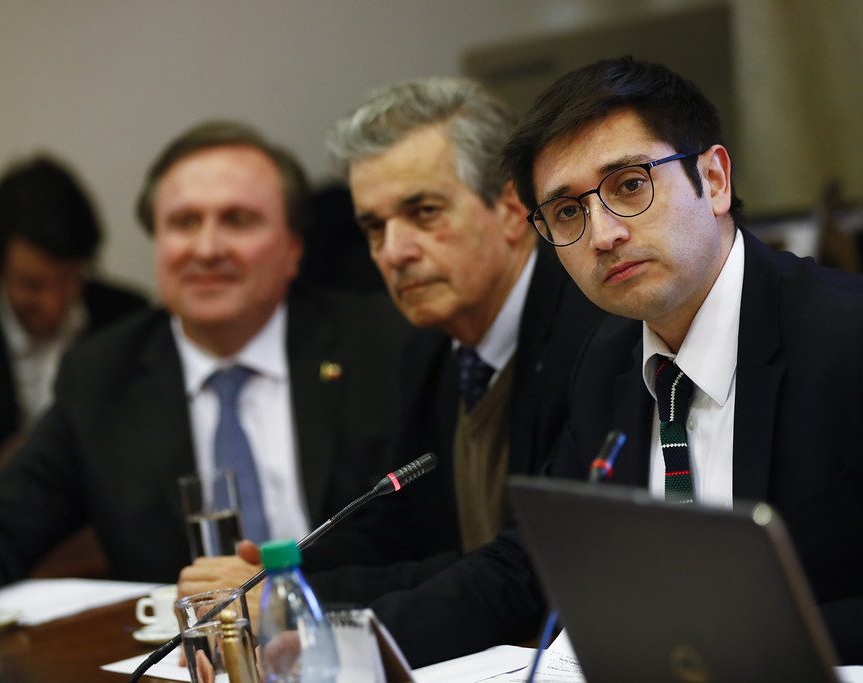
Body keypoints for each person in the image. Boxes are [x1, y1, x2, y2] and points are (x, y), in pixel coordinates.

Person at [360, 56, 863, 667]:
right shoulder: (605, 361)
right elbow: (533, 564)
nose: (603, 235)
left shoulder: (843, 337)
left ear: (714, 180)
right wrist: (349, 646)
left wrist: (734, 647)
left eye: (629, 186)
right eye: (568, 212)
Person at [0, 121, 410, 590]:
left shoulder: (383, 344)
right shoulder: (102, 374)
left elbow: (423, 541)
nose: (206, 249)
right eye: (184, 223)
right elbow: (3, 519)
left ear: (294, 247)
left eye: (237, 220)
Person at [177, 79, 604, 616]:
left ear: (512, 209)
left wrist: (299, 600)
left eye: (424, 212)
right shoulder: (432, 350)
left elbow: (530, 568)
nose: (394, 252)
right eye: (375, 227)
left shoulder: (590, 335)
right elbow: (398, 533)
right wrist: (280, 573)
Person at [0, 156, 147, 537]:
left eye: (67, 279)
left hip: (114, 534)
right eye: (32, 285)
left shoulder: (128, 318)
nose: (53, 303)